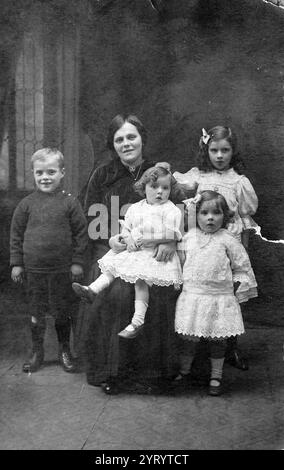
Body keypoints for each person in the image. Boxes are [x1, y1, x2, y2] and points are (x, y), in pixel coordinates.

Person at [76, 114, 187, 394]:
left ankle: (151, 374)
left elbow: (181, 211)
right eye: (119, 139)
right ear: (112, 145)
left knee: (155, 288)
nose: (126, 144)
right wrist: (110, 238)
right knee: (116, 293)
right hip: (113, 246)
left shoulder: (158, 172)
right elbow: (90, 218)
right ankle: (112, 373)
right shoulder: (102, 174)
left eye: (131, 137)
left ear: (142, 139)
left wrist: (170, 243)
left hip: (155, 250)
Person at [163, 125, 258, 370]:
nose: (219, 156)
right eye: (214, 150)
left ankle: (230, 347)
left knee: (228, 298)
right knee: (201, 293)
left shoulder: (238, 181)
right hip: (202, 242)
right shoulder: (199, 175)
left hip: (229, 242)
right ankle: (199, 348)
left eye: (225, 150)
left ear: (232, 151)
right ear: (206, 151)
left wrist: (243, 250)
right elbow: (178, 188)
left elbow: (246, 219)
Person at [72, 166, 183, 339]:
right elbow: (126, 228)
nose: (160, 192)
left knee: (141, 282)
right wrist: (129, 239)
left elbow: (172, 233)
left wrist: (149, 241)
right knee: (111, 267)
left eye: (165, 188)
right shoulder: (136, 208)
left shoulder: (171, 210)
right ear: (144, 187)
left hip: (153, 254)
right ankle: (92, 290)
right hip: (136, 250)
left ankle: (137, 321)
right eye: (154, 187)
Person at [10, 148, 88, 373]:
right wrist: (17, 263)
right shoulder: (26, 205)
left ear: (62, 173)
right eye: (40, 172)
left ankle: (65, 351)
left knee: (62, 311)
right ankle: (37, 352)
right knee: (36, 312)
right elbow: (16, 235)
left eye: (51, 172)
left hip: (62, 271)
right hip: (34, 271)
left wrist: (77, 262)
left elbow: (81, 234)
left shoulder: (70, 204)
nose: (45, 177)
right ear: (33, 174)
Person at [174, 190, 258, 396]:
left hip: (219, 297)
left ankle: (216, 375)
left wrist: (239, 284)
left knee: (218, 340)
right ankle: (184, 371)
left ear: (225, 216)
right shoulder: (188, 237)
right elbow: (179, 263)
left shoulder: (228, 239)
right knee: (188, 338)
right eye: (204, 213)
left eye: (216, 213)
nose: (210, 218)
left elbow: (242, 266)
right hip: (193, 295)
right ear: (196, 215)